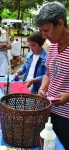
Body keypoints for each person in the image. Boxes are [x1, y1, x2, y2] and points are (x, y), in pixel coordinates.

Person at [34, 2, 69, 149]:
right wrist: (42, 88)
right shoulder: (53, 46)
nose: (44, 36)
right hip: (50, 109)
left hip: (66, 116)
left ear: (60, 23)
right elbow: (48, 73)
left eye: (46, 30)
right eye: (41, 31)